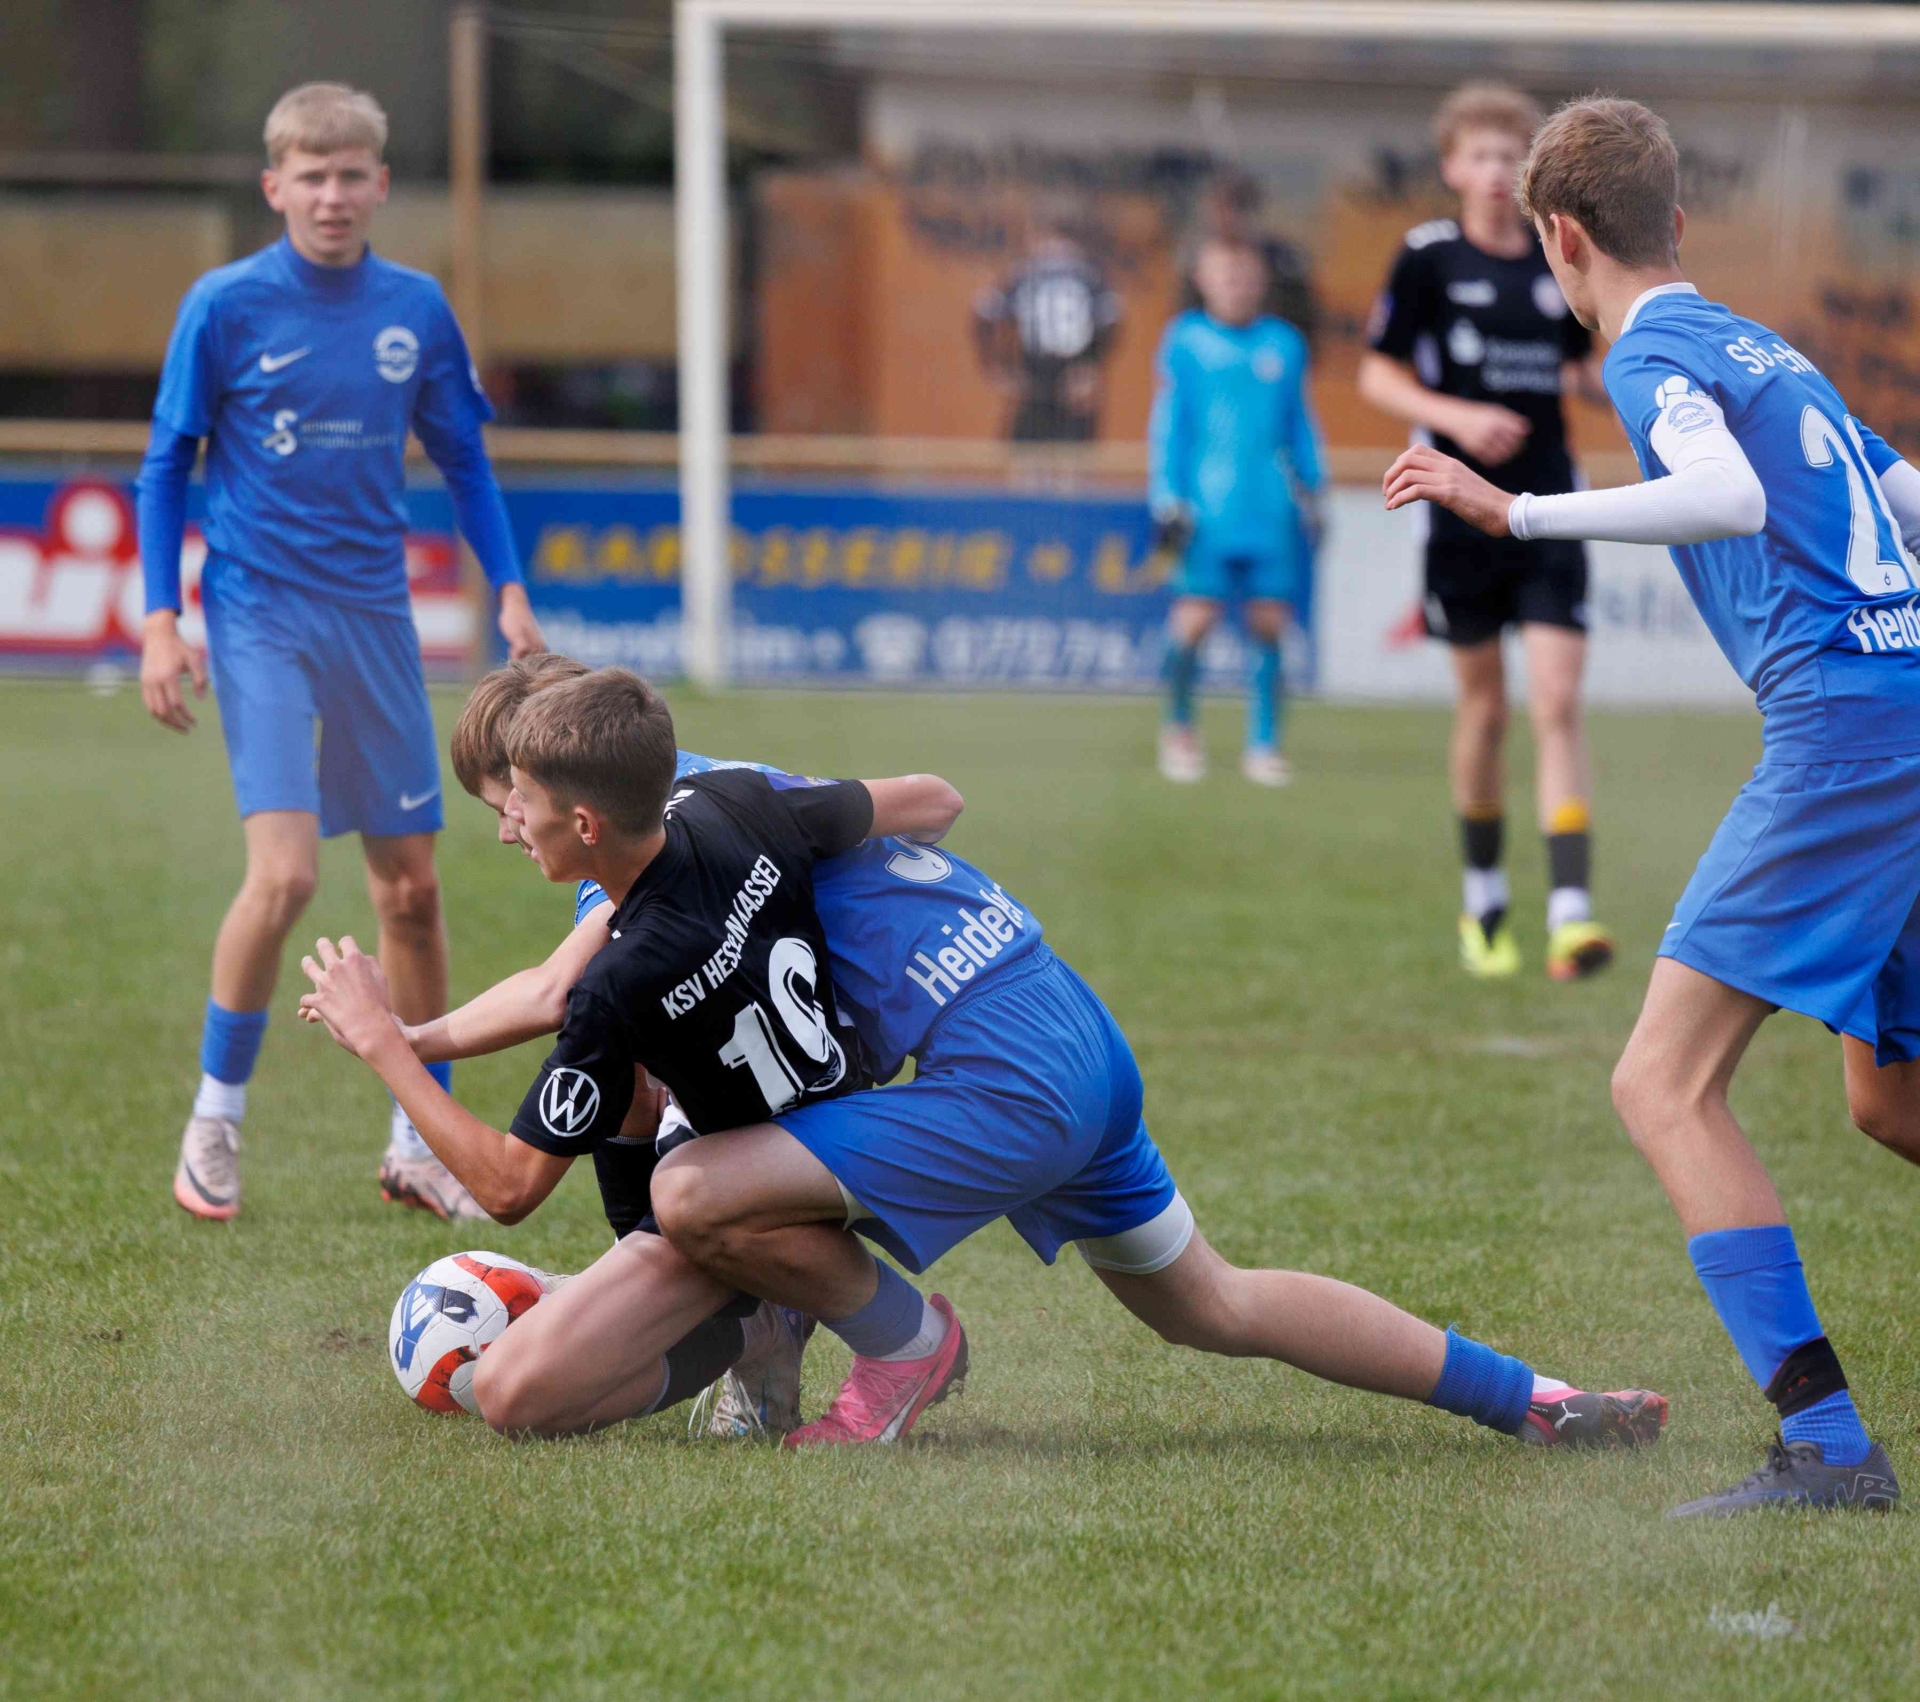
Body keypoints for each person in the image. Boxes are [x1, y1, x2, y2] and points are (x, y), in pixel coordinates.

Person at [303, 662, 1669, 1456]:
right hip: (1057, 1011)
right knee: (1212, 1299)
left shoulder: (656, 881)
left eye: (510, 802)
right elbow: (934, 800)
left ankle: (889, 1346)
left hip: (998, 1079)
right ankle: (1537, 1399)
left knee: (692, 1186)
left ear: (575, 795)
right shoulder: (744, 792)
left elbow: (566, 994)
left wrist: (395, 1036)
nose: (507, 826)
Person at [1382, 96, 1916, 1516]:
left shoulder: (1654, 350)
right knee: (1889, 1096)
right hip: (1904, 697)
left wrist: (1516, 511)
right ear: (1674, 221)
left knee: (1660, 1084)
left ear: (1562, 238)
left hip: (1848, 731)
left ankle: (1829, 1447)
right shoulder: (1762, 344)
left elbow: (1726, 498)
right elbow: (1902, 494)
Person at [137, 82, 543, 1225]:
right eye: (310, 176)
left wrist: (510, 588)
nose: (331, 195)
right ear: (275, 187)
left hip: (374, 617)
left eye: (351, 174)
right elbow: (165, 465)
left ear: (379, 183)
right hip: (259, 612)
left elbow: (464, 461)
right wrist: (161, 618)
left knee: (411, 888)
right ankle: (215, 1118)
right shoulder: (224, 304)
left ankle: (421, 1137)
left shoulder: (415, 307)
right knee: (286, 877)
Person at [1359, 83, 1612, 982]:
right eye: (1483, 155)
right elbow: (1377, 375)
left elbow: (1581, 365)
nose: (1499, 170)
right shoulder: (1428, 256)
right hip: (1461, 516)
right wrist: (1458, 419)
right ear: (1453, 167)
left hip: (1551, 510)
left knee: (1557, 701)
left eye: (1514, 155)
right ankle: (1484, 899)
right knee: (1487, 708)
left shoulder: (1559, 256)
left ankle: (1571, 913)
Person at [1151, 235, 1325, 787]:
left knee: (1270, 625)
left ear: (1261, 280)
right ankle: (1179, 730)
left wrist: (1314, 486)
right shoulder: (1186, 340)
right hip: (1205, 511)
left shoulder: (1284, 343)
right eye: (1225, 275)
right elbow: (1170, 426)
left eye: (1245, 275)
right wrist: (1167, 496)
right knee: (1193, 622)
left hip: (1270, 507)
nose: (1236, 285)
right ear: (1203, 279)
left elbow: (1299, 423)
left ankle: (1264, 745)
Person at [973, 202, 1121, 443]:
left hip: (1034, 372)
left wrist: (999, 367)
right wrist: (1093, 367)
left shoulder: (1022, 271)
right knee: (1073, 453)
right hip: (1073, 372)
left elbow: (984, 313)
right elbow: (1112, 320)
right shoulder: (1090, 273)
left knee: (1030, 453)